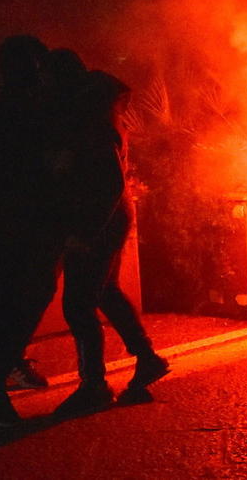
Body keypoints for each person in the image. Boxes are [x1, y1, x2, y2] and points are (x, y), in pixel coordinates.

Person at [50, 62, 170, 415]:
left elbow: (109, 184)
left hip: (99, 223)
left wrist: (85, 232)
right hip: (110, 220)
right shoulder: (99, 122)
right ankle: (146, 358)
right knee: (105, 291)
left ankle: (94, 385)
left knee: (78, 304)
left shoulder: (93, 127)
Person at [0, 35, 64, 427]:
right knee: (16, 299)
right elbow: (25, 164)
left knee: (23, 295)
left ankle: (9, 365)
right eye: (35, 63)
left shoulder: (2, 109)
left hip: (21, 216)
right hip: (21, 218)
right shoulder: (17, 111)